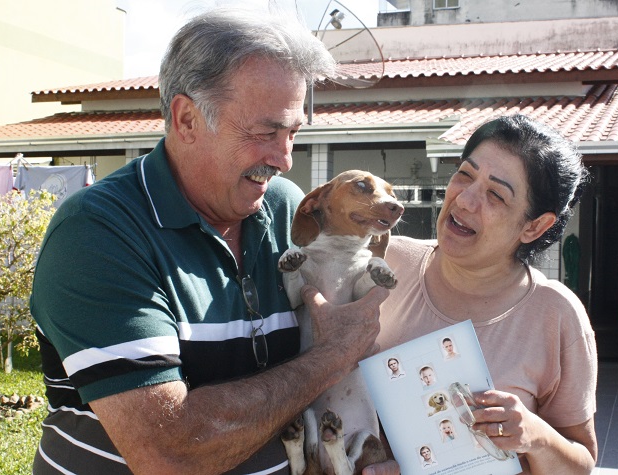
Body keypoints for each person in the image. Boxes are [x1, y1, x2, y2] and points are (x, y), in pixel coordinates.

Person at [30, 8, 390, 475]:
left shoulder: (286, 208)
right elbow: (169, 451)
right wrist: (333, 356)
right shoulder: (97, 233)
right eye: (265, 132)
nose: (283, 158)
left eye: (294, 132)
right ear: (186, 120)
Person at [377, 114, 597, 474]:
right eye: (465, 174)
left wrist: (535, 435)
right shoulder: (385, 261)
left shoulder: (555, 313)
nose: (464, 200)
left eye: (495, 194)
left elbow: (581, 465)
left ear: (534, 226)